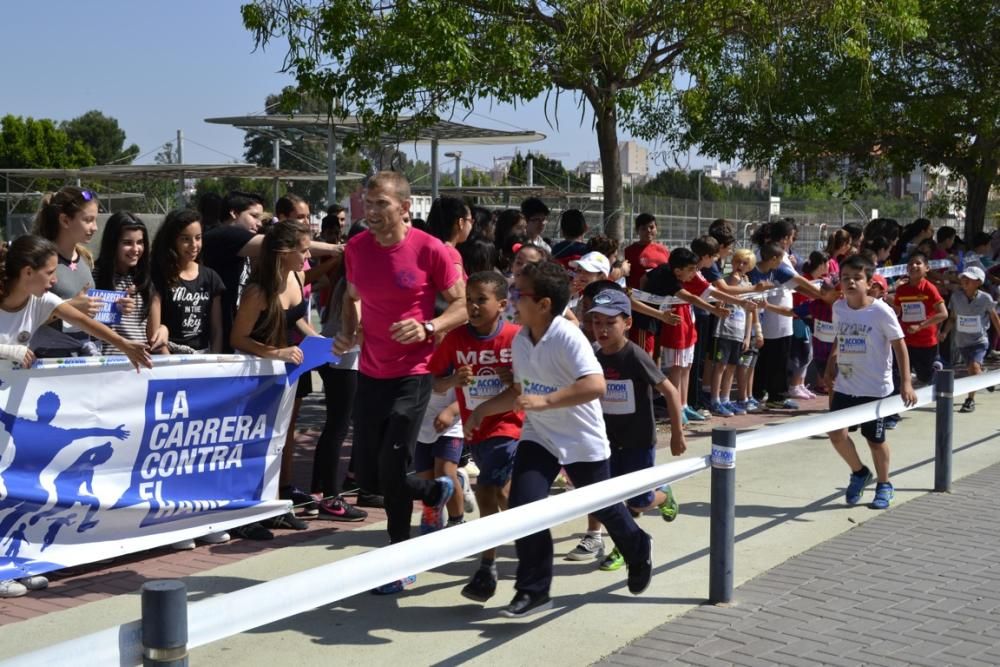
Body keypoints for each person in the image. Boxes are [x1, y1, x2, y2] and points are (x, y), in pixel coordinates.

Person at [463, 260, 654, 618]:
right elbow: (522, 391)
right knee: (526, 508)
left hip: (581, 437)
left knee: (604, 507)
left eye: (519, 293)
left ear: (544, 303)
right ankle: (533, 591)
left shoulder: (567, 337)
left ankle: (637, 544)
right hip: (539, 436)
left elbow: (595, 384)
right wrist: (481, 411)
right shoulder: (522, 339)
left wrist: (547, 400)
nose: (513, 299)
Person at [333, 172, 465, 594]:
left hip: (414, 372)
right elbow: (351, 296)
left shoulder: (431, 250)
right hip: (371, 370)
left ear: (405, 208)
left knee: (393, 464)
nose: (371, 212)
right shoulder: (356, 248)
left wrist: (429, 327)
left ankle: (400, 559)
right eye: (367, 204)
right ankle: (432, 490)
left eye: (381, 205)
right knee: (368, 476)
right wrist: (349, 331)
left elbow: (462, 305)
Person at [0, 236, 153, 597]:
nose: (55, 280)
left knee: (11, 489)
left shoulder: (41, 300)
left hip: (8, 412)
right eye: (49, 273)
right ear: (27, 272)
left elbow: (84, 322)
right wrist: (9, 350)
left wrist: (125, 345)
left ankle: (12, 561)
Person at [431, 271, 523, 602]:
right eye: (468, 299)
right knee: (503, 496)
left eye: (480, 299)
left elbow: (530, 386)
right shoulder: (455, 339)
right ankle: (530, 533)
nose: (472, 305)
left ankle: (487, 568)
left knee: (487, 490)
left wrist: (513, 377)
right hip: (476, 431)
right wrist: (454, 380)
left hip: (509, 427)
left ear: (502, 304)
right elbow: (436, 383)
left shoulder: (515, 337)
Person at [230, 219, 318, 537]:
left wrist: (318, 340)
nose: (307, 258)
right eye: (303, 251)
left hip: (291, 369)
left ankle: (278, 502)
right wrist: (275, 352)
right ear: (283, 252)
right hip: (259, 375)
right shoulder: (257, 291)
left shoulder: (296, 276)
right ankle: (247, 511)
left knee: (284, 438)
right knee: (255, 441)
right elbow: (238, 338)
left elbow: (298, 320)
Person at [587, 289, 686, 572]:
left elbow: (670, 392)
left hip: (638, 441)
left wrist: (677, 433)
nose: (602, 330)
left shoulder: (635, 356)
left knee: (640, 500)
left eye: (610, 323)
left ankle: (664, 494)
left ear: (627, 323)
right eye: (597, 323)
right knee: (615, 500)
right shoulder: (594, 355)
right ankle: (625, 547)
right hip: (608, 442)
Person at [824, 254, 917, 510]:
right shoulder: (839, 308)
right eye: (845, 278)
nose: (850, 282)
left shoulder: (881, 311)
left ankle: (884, 484)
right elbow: (839, 337)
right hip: (846, 384)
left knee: (875, 440)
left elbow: (899, 345)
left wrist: (906, 382)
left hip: (875, 388)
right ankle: (859, 472)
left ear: (869, 282)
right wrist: (831, 363)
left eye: (857, 278)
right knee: (836, 434)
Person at [312, 221, 371, 520]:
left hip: (341, 356)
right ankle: (328, 496)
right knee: (338, 426)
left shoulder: (349, 274)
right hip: (344, 358)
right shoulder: (354, 278)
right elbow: (358, 327)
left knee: (339, 424)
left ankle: (322, 490)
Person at [29, 187, 102, 357]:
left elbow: (87, 310)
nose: (95, 227)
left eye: (95, 220)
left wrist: (114, 307)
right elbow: (23, 317)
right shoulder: (38, 262)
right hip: (49, 362)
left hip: (83, 357)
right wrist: (69, 306)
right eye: (88, 220)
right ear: (65, 220)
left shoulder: (85, 258)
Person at [151, 208, 225, 354]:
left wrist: (213, 362)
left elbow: (217, 330)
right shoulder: (159, 275)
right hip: (170, 357)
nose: (194, 245)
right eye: (185, 239)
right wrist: (170, 364)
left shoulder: (211, 277)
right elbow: (154, 331)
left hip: (203, 358)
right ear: (172, 240)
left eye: (198, 237)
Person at [93, 212, 167, 355]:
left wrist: (164, 329)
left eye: (140, 242)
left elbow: (153, 337)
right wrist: (113, 307)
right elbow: (82, 322)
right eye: (127, 243)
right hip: (104, 367)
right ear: (112, 243)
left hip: (140, 368)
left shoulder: (146, 280)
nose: (135, 249)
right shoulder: (93, 276)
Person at [940, 267, 1000, 413]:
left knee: (973, 369)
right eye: (963, 277)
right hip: (961, 342)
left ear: (978, 282)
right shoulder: (956, 297)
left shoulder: (985, 298)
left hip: (979, 341)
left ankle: (970, 400)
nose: (965, 280)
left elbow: (994, 318)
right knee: (973, 370)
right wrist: (945, 332)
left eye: (969, 278)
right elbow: (953, 317)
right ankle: (984, 378)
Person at [892, 252, 947, 385]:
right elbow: (897, 312)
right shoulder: (901, 290)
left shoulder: (929, 289)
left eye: (918, 263)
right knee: (900, 374)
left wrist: (920, 326)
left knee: (924, 377)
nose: (913, 266)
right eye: (910, 264)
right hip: (905, 340)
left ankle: (935, 368)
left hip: (926, 342)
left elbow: (943, 314)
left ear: (927, 268)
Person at [623, 213, 670, 359]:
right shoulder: (630, 251)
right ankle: (642, 379)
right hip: (641, 305)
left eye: (652, 227)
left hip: (661, 303)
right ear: (638, 230)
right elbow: (626, 279)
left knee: (658, 349)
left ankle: (655, 379)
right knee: (644, 348)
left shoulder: (663, 250)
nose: (649, 231)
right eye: (644, 228)